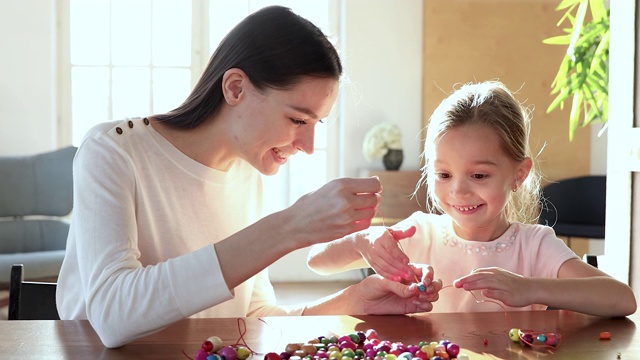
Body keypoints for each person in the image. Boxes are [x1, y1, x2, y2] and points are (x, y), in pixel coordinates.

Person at [56, 6, 437, 348]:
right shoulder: (114, 151)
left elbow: (255, 318)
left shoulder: (246, 176)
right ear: (235, 87)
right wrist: (287, 227)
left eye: (316, 124)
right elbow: (111, 315)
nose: (307, 145)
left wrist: (352, 301)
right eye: (297, 119)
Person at [307, 81, 637, 317]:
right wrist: (363, 241)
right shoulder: (421, 233)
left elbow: (622, 299)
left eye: (479, 176)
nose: (458, 191)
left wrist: (531, 289)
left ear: (519, 175)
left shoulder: (535, 246)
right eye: (443, 175)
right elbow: (318, 262)